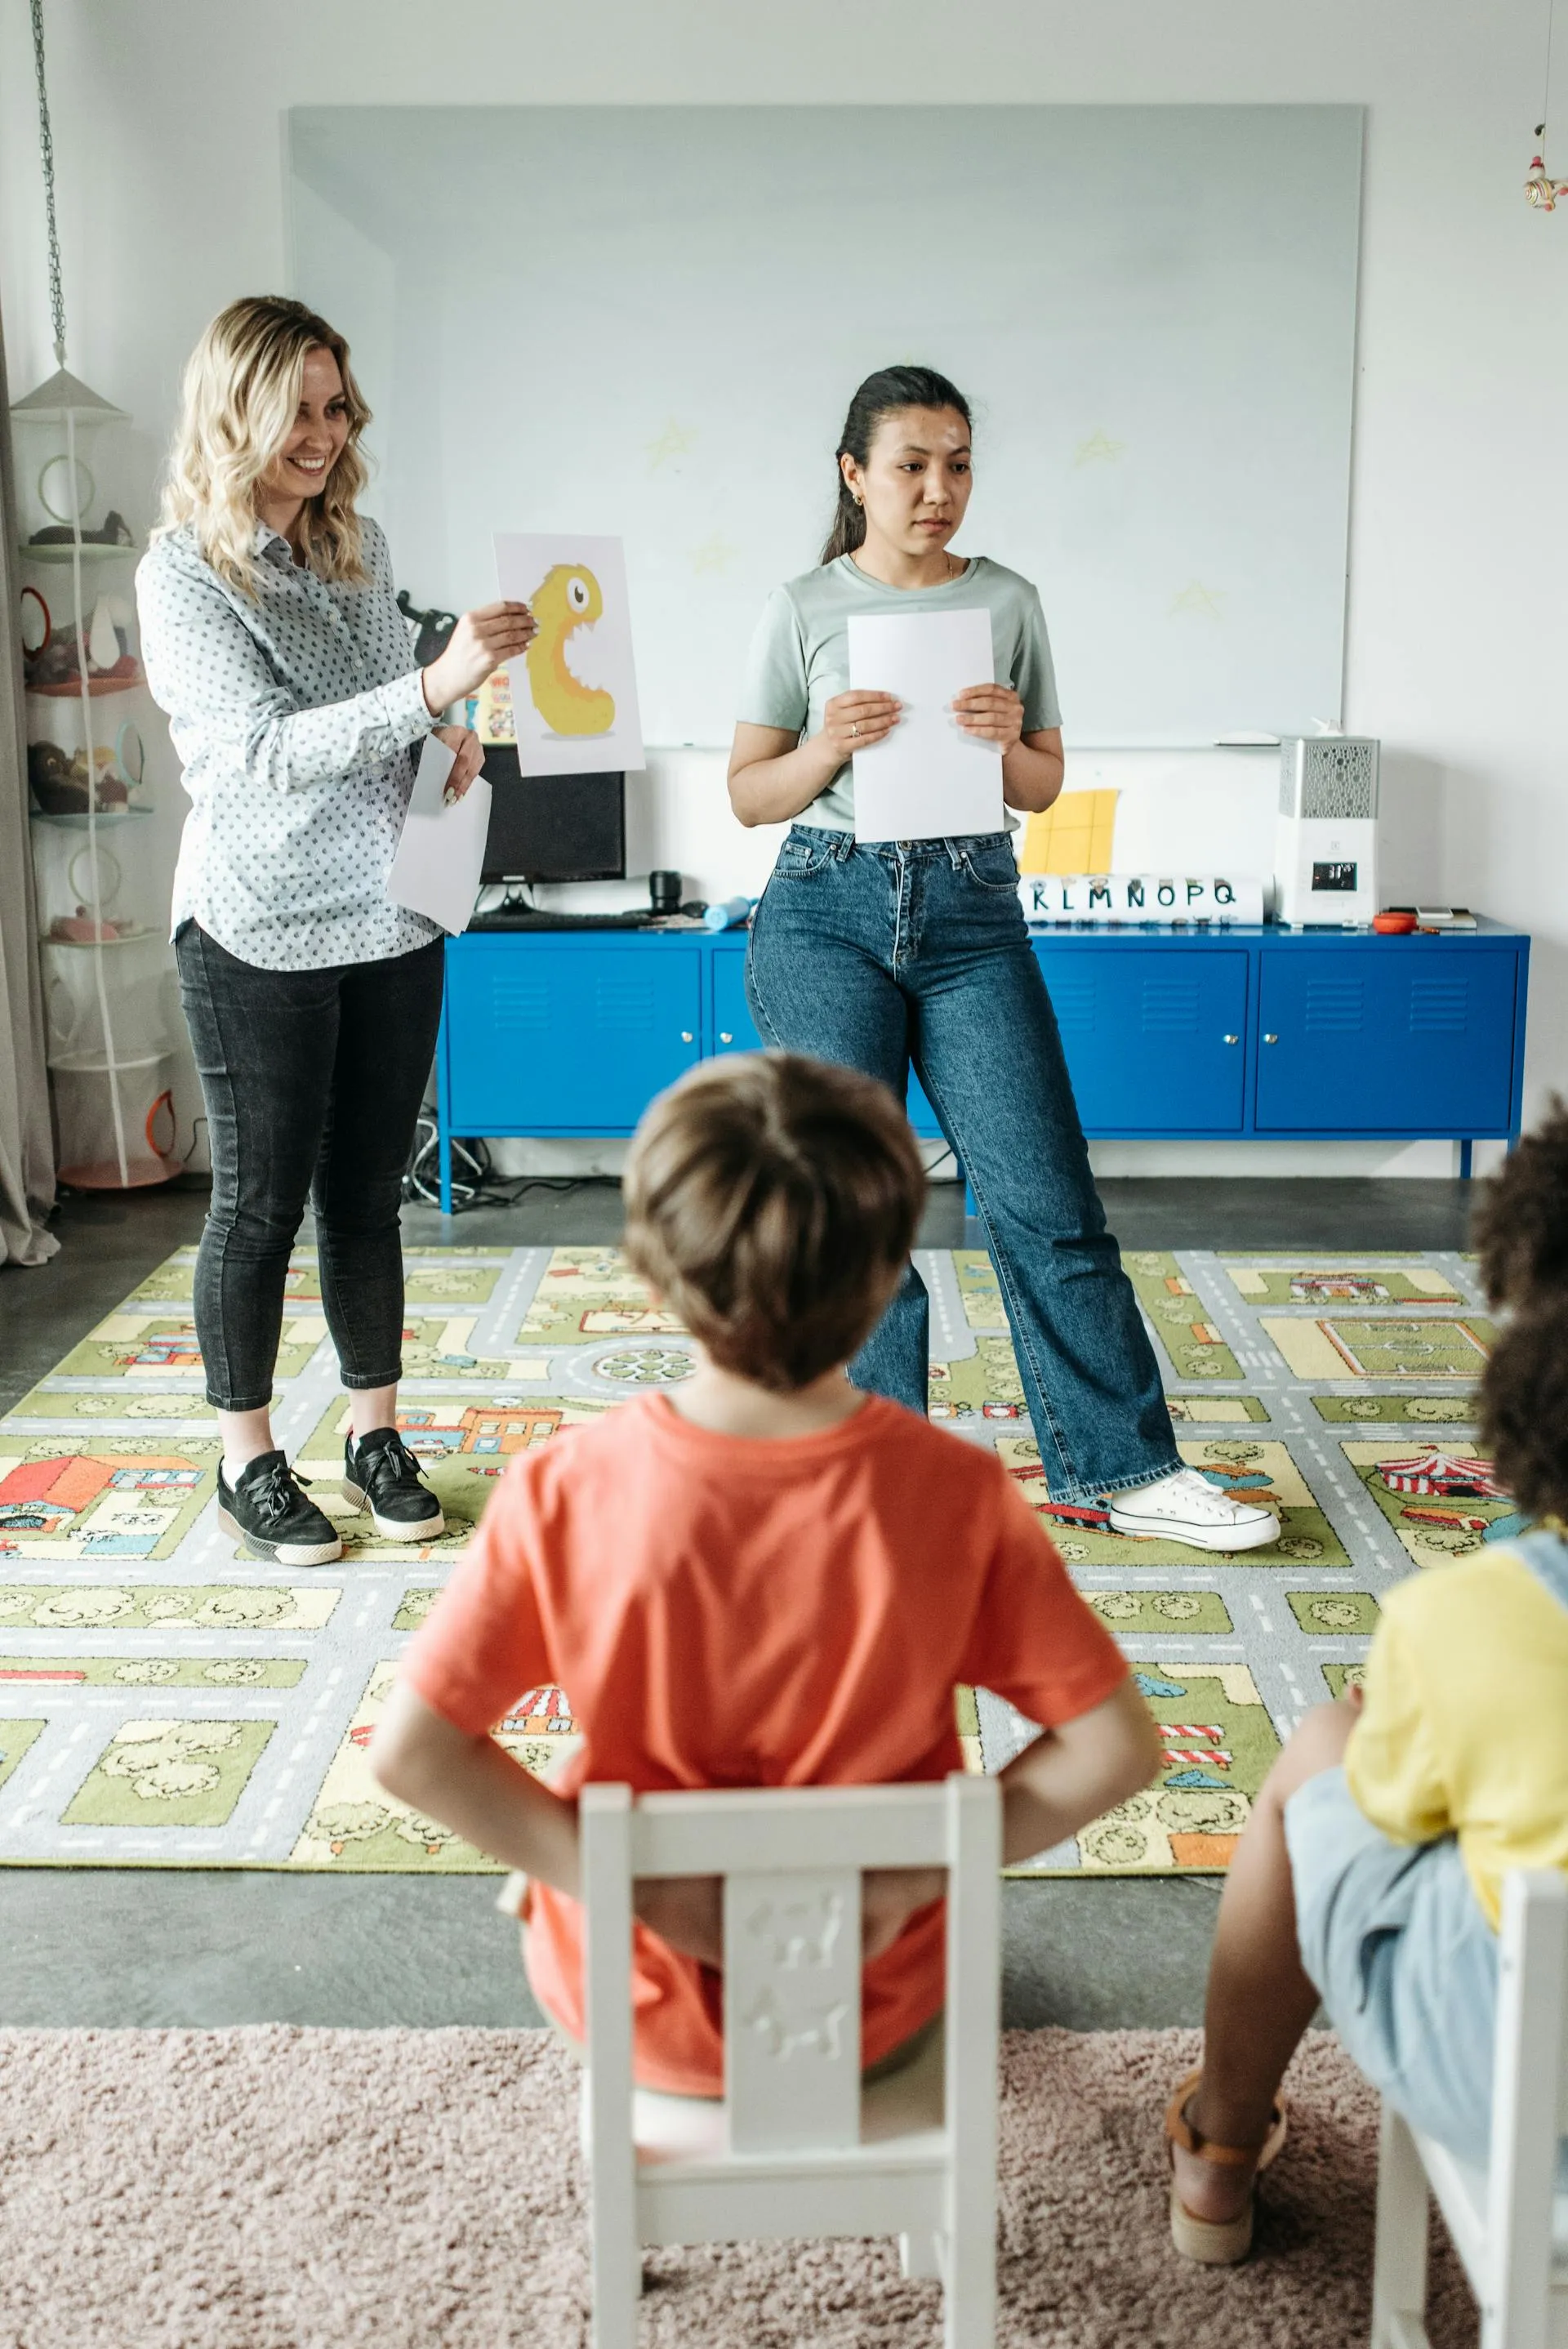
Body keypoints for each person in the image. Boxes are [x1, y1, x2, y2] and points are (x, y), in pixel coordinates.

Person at [370, 1052, 1161, 2095]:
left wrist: (645, 1893)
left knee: (573, 1788)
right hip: (876, 1991)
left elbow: (412, 1755)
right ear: (888, 1278)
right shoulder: (957, 1494)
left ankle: (583, 1873)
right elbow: (1118, 1748)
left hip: (638, 2001)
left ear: (651, 1272)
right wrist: (911, 1878)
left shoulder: (564, 1490)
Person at [728, 363, 1276, 1554]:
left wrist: (1000, 741)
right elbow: (746, 797)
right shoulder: (802, 607)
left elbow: (1041, 783)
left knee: (1048, 1202)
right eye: (913, 465)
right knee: (859, 1214)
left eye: (958, 464)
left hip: (975, 912)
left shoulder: (1009, 601)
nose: (939, 490)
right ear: (854, 474)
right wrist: (825, 745)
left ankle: (1123, 1468)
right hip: (825, 911)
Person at [137, 296, 537, 1567]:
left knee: (364, 1194)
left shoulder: (355, 546)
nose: (325, 432)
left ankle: (375, 1434)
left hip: (389, 908)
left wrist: (448, 738)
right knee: (258, 1203)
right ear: (238, 409)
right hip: (253, 925)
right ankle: (246, 1454)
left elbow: (383, 719)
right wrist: (430, 685)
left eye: (336, 406)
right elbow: (256, 756)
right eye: (301, 409)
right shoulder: (179, 574)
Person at [1164, 1102, 1568, 2265]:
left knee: (1319, 1759)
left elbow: (1392, 1819)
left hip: (1523, 2091)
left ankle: (1219, 2152)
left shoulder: (1471, 1619)